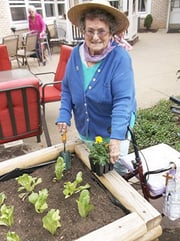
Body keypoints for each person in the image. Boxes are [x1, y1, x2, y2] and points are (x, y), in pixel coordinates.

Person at [56, 0, 137, 175]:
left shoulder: (119, 58)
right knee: (93, 170)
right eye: (90, 31)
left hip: (113, 129)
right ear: (83, 31)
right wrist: (63, 114)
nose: (95, 37)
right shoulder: (76, 54)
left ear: (111, 32)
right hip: (86, 127)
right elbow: (67, 88)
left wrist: (116, 139)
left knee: (115, 174)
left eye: (101, 31)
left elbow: (123, 101)